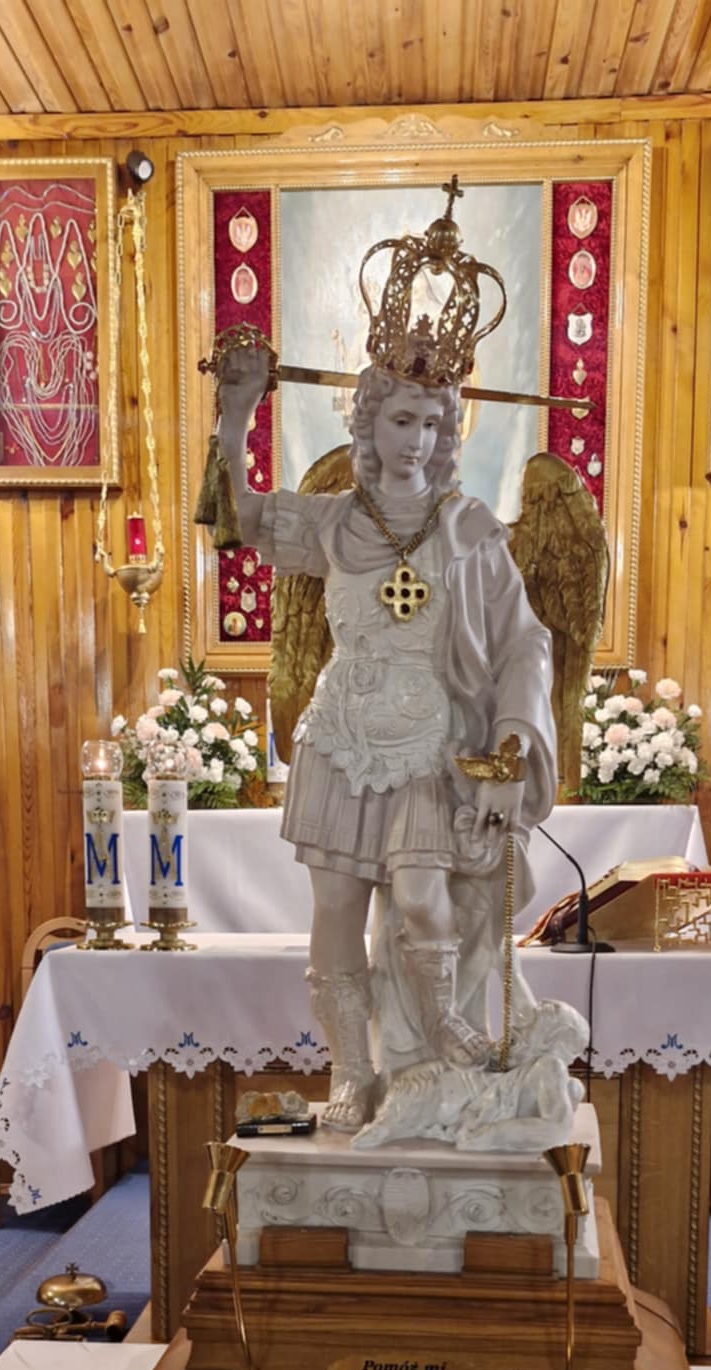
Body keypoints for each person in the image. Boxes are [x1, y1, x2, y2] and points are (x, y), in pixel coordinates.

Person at [214, 193, 557, 1138]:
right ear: (370, 423)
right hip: (341, 734)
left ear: (449, 434)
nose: (417, 440)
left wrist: (513, 743)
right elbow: (232, 523)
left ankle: (440, 1039)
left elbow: (526, 641)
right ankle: (351, 1073)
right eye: (402, 419)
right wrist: (235, 416)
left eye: (433, 424)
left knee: (418, 901)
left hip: (430, 748)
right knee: (334, 908)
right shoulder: (334, 522)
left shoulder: (470, 531)